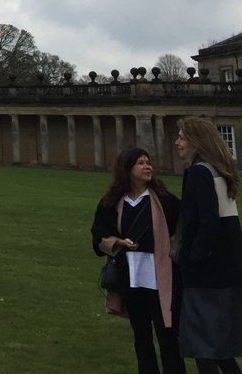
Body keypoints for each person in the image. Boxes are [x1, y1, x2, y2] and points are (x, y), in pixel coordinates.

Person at [91, 147, 184, 374]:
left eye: (148, 162)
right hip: (132, 278)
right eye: (140, 163)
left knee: (167, 337)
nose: (147, 166)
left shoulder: (165, 201)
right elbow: (98, 236)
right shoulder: (113, 202)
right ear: (127, 169)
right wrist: (117, 243)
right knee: (141, 337)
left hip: (161, 278)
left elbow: (183, 232)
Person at [175, 117, 242, 373]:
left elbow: (209, 224)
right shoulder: (219, 172)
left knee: (202, 345)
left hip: (206, 272)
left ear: (196, 141)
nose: (177, 142)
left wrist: (193, 258)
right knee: (219, 347)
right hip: (228, 268)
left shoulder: (199, 172)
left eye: (181, 137)